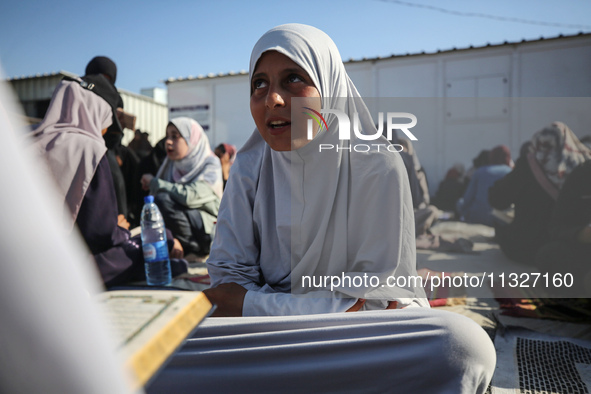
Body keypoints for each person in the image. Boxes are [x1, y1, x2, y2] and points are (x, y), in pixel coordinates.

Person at [149, 24, 495, 394]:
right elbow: (228, 282)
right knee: (154, 349)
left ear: (329, 89)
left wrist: (254, 304)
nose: (272, 100)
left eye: (293, 79)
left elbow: (375, 302)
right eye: (260, 84)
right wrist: (255, 307)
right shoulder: (249, 167)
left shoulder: (376, 165)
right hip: (267, 335)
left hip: (348, 337)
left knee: (461, 345)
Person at [30, 73, 183, 287]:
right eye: (107, 120)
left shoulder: (25, 139)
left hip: (18, 259)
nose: (105, 129)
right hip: (56, 266)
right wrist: (118, 227)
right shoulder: (88, 148)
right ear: (96, 110)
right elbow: (101, 234)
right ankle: (173, 266)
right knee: (151, 243)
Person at [489, 122, 591, 264]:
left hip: (524, 248)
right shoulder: (581, 167)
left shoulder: (528, 164)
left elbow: (498, 199)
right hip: (564, 247)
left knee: (501, 227)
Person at [141, 117, 223, 257]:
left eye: (175, 136)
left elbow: (190, 197)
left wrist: (156, 183)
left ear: (192, 140)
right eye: (167, 136)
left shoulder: (210, 163)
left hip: (207, 229)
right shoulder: (171, 165)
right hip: (184, 223)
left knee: (164, 200)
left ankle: (195, 250)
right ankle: (177, 245)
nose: (168, 141)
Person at [456, 145, 512, 226]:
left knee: (459, 202)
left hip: (477, 217)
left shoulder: (480, 171)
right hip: (501, 220)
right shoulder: (509, 171)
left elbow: (467, 199)